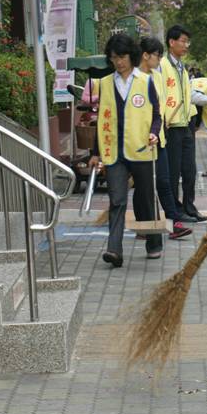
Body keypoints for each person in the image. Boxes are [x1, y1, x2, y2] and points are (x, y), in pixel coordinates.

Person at [88, 34, 163, 266]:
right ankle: (114, 250)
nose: (118, 62)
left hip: (141, 149)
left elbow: (156, 115)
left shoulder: (146, 81)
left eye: (122, 57)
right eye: (113, 58)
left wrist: (153, 132)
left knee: (146, 198)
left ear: (132, 56)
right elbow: (101, 119)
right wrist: (95, 152)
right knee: (117, 200)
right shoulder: (106, 83)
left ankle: (153, 242)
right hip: (114, 152)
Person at [159, 25, 207, 223]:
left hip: (187, 123)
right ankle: (176, 210)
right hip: (171, 125)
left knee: (189, 170)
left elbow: (189, 94)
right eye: (183, 41)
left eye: (187, 42)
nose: (186, 45)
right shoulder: (162, 66)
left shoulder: (181, 68)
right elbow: (158, 95)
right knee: (174, 170)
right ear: (172, 42)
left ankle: (189, 207)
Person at [138, 37, 193, 241]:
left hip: (158, 137)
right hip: (139, 142)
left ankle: (174, 223)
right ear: (145, 55)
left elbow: (159, 106)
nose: (159, 59)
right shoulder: (133, 79)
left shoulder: (156, 76)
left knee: (163, 181)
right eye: (157, 55)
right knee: (143, 186)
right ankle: (143, 225)